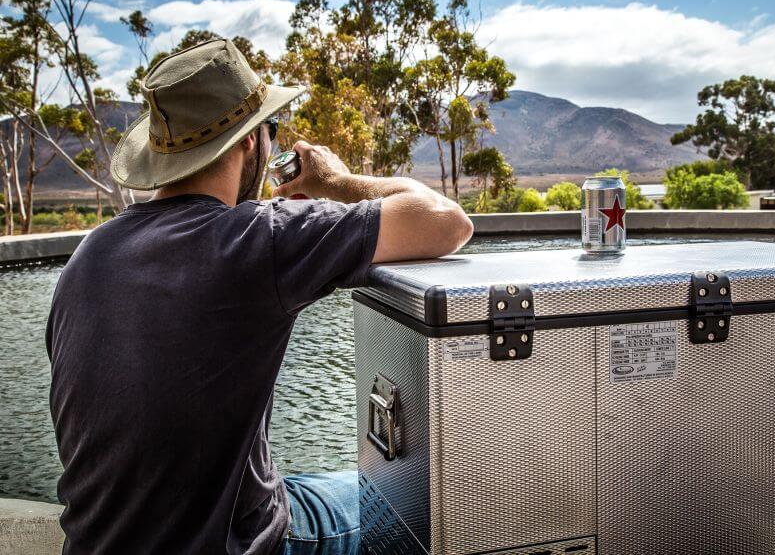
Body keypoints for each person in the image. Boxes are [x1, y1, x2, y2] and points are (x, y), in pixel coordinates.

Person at [45, 38, 473, 554]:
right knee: (402, 498)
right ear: (251, 142)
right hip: (236, 546)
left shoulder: (88, 257)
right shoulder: (253, 239)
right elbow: (447, 221)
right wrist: (335, 181)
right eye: (269, 128)